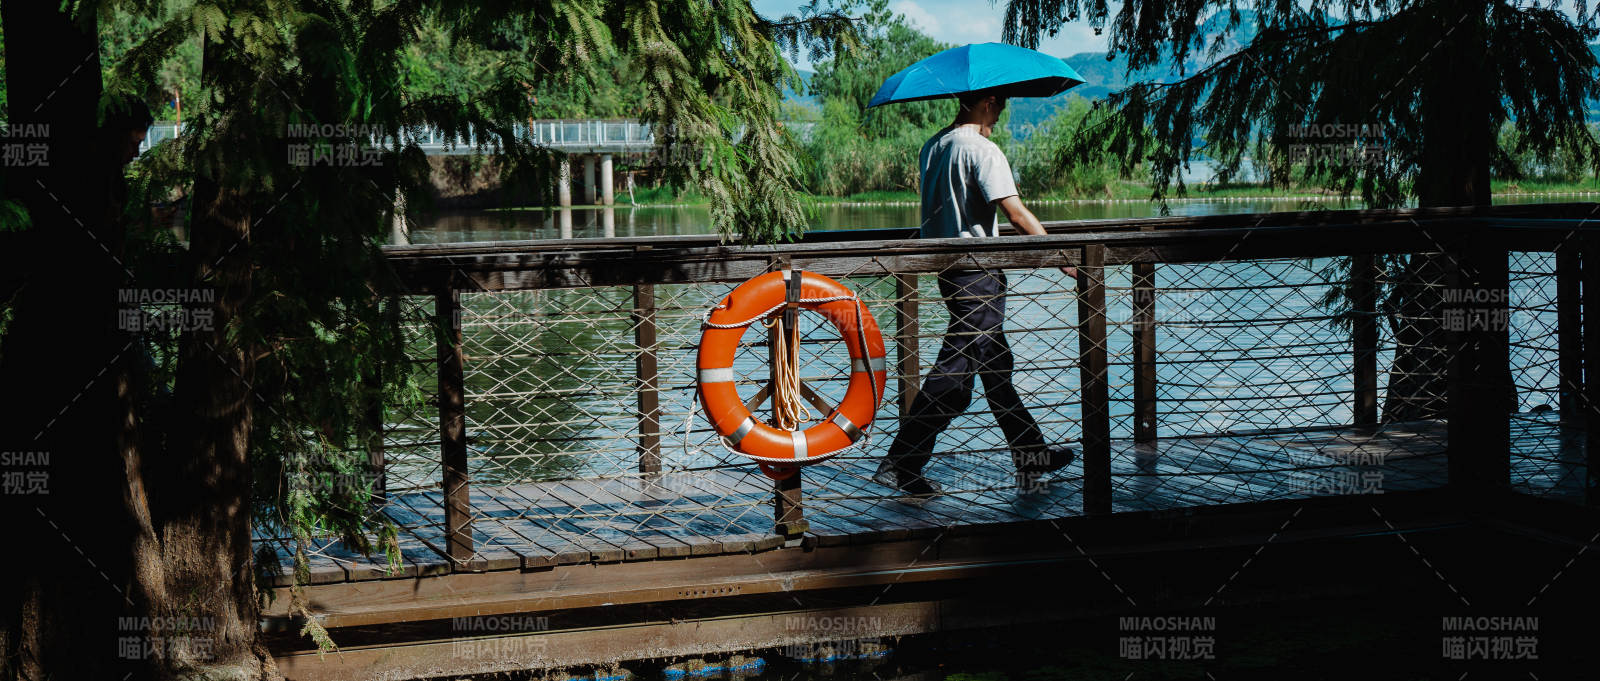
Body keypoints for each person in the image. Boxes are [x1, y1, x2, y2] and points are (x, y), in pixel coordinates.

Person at [874, 89, 1076, 496]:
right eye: (1000, 105)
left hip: (947, 273)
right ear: (986, 102)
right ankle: (901, 463)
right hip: (979, 275)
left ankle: (1030, 455)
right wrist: (1062, 256)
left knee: (997, 369)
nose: (1001, 113)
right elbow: (1014, 211)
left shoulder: (934, 146)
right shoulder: (983, 150)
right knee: (954, 377)